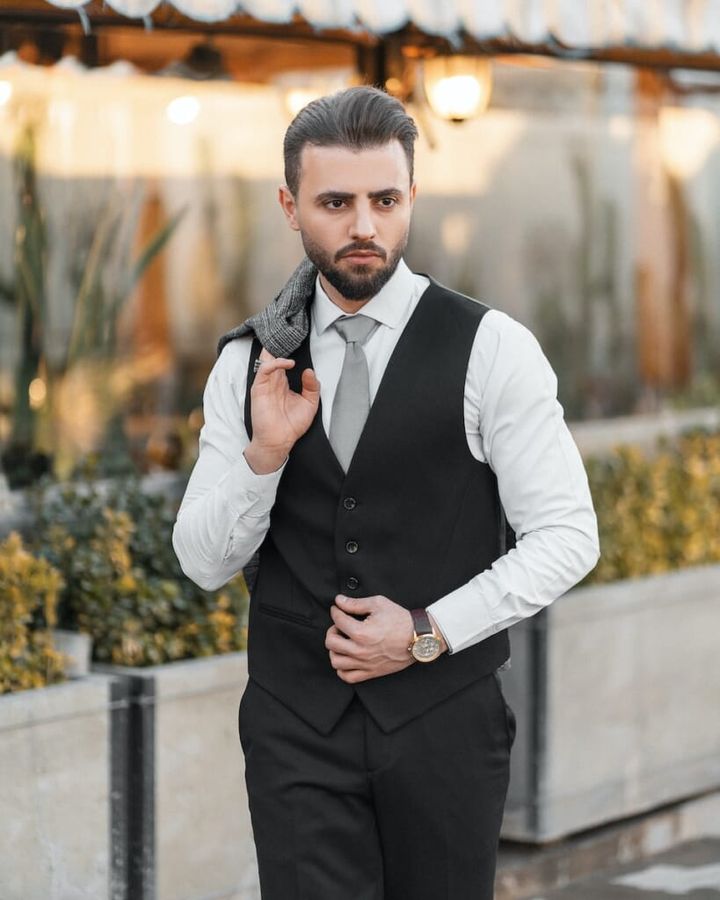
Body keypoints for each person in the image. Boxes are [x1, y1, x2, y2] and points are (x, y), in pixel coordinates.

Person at [173, 85, 599, 900]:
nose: (363, 226)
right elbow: (200, 561)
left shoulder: (492, 348)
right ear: (291, 206)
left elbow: (568, 535)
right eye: (335, 202)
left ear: (411, 198)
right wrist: (265, 455)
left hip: (444, 724)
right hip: (296, 727)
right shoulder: (248, 363)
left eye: (384, 199)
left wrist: (429, 632)